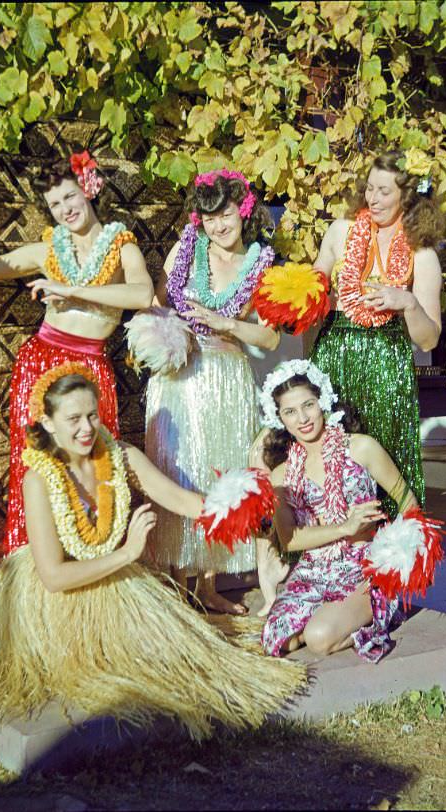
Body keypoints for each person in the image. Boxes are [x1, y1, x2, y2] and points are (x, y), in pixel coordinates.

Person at [0, 364, 305, 749]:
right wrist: (128, 554)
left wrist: (238, 502)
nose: (86, 428)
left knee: (169, 657)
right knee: (106, 673)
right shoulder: (38, 479)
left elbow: (182, 500)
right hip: (58, 594)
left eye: (92, 415)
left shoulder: (121, 456)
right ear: (47, 423)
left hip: (115, 576)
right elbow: (54, 577)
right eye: (73, 419)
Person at [0, 150, 154, 555]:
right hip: (41, 362)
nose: (65, 209)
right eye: (54, 204)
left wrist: (73, 291)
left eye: (69, 197)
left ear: (88, 190)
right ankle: (32, 563)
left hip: (91, 366)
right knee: (38, 461)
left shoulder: (122, 248)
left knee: (95, 460)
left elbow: (143, 295)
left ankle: (98, 555)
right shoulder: (49, 250)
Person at [146, 168, 287, 615]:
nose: (218, 226)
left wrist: (228, 324)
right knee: (180, 468)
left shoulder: (264, 263)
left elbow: (270, 339)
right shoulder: (186, 248)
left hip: (226, 375)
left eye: (225, 214)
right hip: (180, 372)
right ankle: (179, 582)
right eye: (208, 219)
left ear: (243, 210)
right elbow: (158, 303)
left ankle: (209, 587)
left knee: (219, 470)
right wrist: (169, 338)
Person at [310, 150, 445, 516]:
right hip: (334, 353)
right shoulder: (340, 232)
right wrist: (309, 290)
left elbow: (429, 339)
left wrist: (407, 303)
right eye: (370, 189)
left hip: (388, 366)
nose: (373, 199)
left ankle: (387, 555)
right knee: (329, 452)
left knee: (384, 456)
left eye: (384, 191)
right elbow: (314, 281)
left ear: (408, 196)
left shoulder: (423, 254)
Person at [258, 360, 416, 660]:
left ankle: (377, 613)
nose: (303, 418)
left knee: (317, 638)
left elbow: (407, 501)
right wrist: (344, 528)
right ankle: (331, 617)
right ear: (279, 418)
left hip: (366, 568)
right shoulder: (280, 475)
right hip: (313, 570)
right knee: (275, 641)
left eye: (309, 405)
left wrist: (396, 561)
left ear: (324, 402)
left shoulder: (361, 448)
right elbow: (290, 539)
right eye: (290, 412)